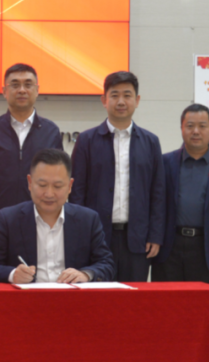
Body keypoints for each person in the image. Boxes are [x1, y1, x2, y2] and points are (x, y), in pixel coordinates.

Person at [70, 71, 164, 282]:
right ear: (104, 100)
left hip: (138, 239)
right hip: (97, 237)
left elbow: (158, 193)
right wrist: (79, 234)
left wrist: (155, 235)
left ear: (137, 100)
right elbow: (77, 192)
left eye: (127, 95)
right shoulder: (86, 140)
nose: (121, 101)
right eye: (114, 95)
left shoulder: (151, 142)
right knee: (98, 297)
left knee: (133, 297)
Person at [0, 149, 115, 284]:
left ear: (69, 186)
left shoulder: (88, 219)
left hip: (72, 296)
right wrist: (13, 274)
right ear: (30, 183)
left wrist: (85, 274)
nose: (49, 194)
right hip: (27, 297)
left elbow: (107, 264)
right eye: (42, 185)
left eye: (57, 186)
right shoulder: (8, 219)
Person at [0, 63, 63, 260]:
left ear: (37, 90)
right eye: (15, 84)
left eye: (28, 84)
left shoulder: (51, 131)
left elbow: (59, 183)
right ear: (4, 91)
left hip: (42, 223)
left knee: (39, 277)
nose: (22, 90)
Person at [152, 104, 209, 286]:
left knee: (206, 303)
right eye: (190, 126)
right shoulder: (165, 162)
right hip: (170, 248)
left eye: (202, 126)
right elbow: (156, 206)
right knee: (168, 302)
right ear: (181, 128)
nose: (196, 131)